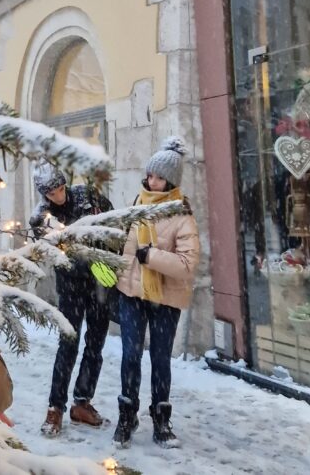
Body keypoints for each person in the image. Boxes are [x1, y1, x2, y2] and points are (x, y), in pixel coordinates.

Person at [113, 137, 200, 449]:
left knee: (160, 359)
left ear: (171, 181)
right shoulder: (138, 202)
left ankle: (161, 420)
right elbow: (126, 247)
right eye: (150, 175)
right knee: (130, 356)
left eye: (159, 177)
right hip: (131, 295)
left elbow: (188, 263)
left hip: (165, 299)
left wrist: (151, 257)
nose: (152, 181)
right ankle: (127, 414)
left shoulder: (182, 214)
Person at [30, 163, 113, 436]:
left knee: (95, 345)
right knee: (68, 345)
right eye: (52, 193)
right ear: (44, 194)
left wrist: (110, 258)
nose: (60, 195)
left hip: (100, 283)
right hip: (71, 288)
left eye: (61, 188)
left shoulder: (89, 196)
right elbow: (55, 253)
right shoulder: (41, 217)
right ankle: (55, 408)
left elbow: (113, 225)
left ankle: (82, 403)